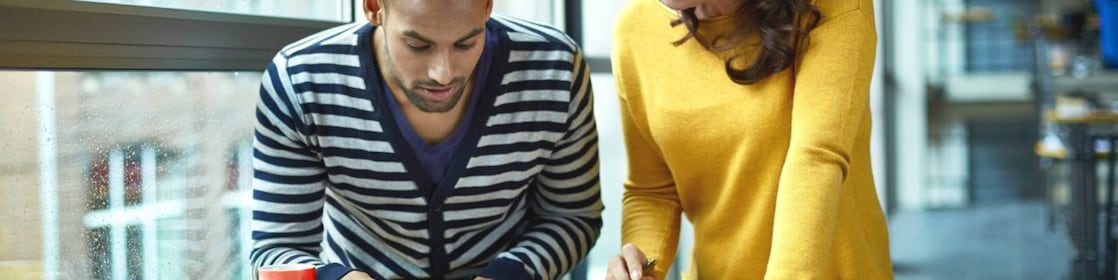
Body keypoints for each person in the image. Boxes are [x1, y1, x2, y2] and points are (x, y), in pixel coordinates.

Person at [250, 0, 603, 279]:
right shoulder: (300, 81)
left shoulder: (555, 68)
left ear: (487, 6)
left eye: (467, 43)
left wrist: (509, 275)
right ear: (373, 7)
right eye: (417, 45)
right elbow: (276, 249)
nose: (443, 73)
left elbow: (572, 217)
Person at [607, 0, 892, 279]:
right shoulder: (636, 28)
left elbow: (816, 158)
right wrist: (639, 268)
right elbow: (653, 191)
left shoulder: (833, 6)